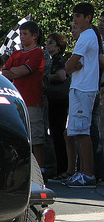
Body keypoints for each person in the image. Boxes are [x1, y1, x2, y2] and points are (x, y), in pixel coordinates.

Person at [62, 2, 100, 188]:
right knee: (77, 131)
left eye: (78, 16)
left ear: (88, 18)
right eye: (74, 16)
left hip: (84, 88)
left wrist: (70, 66)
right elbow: (73, 65)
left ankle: (88, 173)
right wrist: (72, 66)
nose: (75, 20)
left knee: (83, 132)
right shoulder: (88, 36)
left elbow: (69, 65)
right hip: (80, 87)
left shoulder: (87, 35)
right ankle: (82, 171)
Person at [1, 21, 46, 173]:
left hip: (33, 99)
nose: (22, 37)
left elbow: (24, 70)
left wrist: (14, 70)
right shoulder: (16, 54)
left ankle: (40, 169)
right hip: (17, 100)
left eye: (25, 34)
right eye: (21, 34)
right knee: (20, 136)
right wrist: (15, 71)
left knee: (37, 138)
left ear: (34, 36)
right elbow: (5, 72)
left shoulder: (38, 53)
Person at [46, 33, 70, 179]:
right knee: (56, 132)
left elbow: (61, 76)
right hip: (57, 100)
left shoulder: (58, 59)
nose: (47, 45)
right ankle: (61, 167)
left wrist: (46, 77)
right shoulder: (53, 59)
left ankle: (61, 168)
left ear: (58, 46)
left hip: (58, 100)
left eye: (50, 43)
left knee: (58, 133)